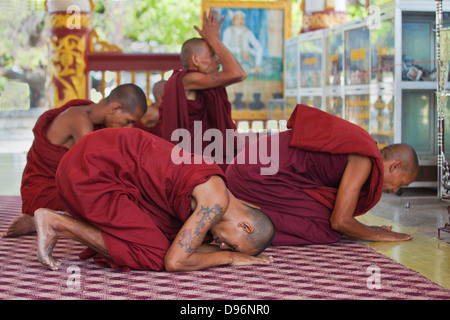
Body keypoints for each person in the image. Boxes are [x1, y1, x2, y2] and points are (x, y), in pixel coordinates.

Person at [34, 128, 275, 272]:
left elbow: (182, 244)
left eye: (228, 249)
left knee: (164, 241)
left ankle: (59, 220)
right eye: (232, 244)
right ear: (245, 226)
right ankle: (58, 222)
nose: (221, 246)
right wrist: (229, 258)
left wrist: (233, 253)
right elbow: (175, 261)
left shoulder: (219, 192)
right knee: (153, 256)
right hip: (92, 171)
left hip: (88, 161)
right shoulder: (215, 201)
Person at [225, 104, 419, 245]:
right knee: (326, 229)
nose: (394, 190)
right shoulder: (365, 158)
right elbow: (340, 221)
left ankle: (240, 215)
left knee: (327, 220)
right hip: (254, 175)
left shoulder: (364, 145)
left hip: (250, 166)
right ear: (395, 166)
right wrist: (378, 235)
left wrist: (365, 229)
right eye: (400, 184)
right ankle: (237, 226)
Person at [1, 83, 148, 238]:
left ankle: (50, 219)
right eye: (127, 121)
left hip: (66, 188)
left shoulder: (92, 115)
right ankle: (39, 221)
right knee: (109, 204)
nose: (129, 128)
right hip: (45, 193)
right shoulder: (79, 119)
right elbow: (98, 169)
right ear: (115, 108)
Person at [159, 9, 246, 172]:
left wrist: (215, 41)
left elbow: (240, 74)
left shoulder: (205, 84)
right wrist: (213, 38)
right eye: (212, 55)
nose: (217, 60)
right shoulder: (187, 79)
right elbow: (236, 73)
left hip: (209, 153)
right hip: (194, 160)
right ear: (195, 60)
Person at [222, 10, 263, 74]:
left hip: (247, 59)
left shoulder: (248, 32)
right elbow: (224, 47)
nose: (240, 21)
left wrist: (257, 64)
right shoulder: (228, 31)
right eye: (238, 19)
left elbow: (259, 48)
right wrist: (240, 51)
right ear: (233, 21)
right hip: (232, 58)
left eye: (242, 19)